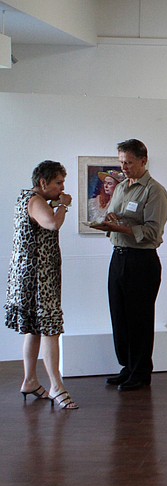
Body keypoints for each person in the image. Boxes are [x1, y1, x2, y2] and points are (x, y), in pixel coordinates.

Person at [91, 139, 167, 392]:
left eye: (128, 162)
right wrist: (111, 219)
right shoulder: (121, 188)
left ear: (143, 161)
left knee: (140, 318)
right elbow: (118, 217)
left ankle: (140, 372)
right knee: (120, 316)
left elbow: (152, 232)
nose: (123, 167)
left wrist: (120, 228)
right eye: (121, 162)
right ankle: (127, 367)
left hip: (141, 261)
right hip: (118, 257)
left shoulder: (154, 191)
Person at [5, 160, 78, 409]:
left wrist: (56, 203)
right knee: (50, 329)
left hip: (31, 275)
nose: (62, 187)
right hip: (39, 278)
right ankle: (57, 386)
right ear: (43, 182)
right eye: (58, 182)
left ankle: (30, 380)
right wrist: (63, 205)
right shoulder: (36, 201)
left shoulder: (29, 198)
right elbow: (52, 224)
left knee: (34, 329)